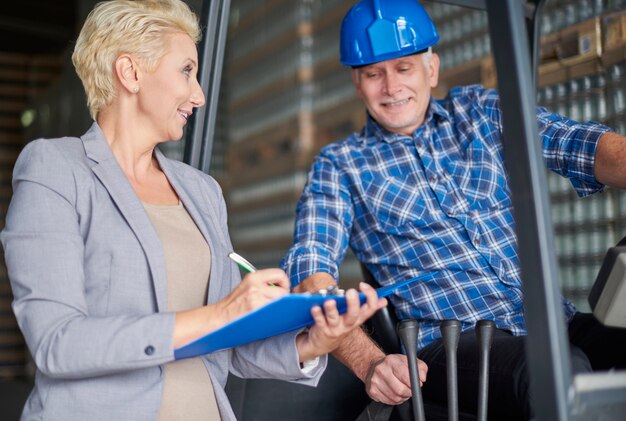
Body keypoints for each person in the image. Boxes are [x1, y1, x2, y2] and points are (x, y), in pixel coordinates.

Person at [0, 1, 387, 420]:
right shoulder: (56, 169)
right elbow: (58, 343)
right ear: (130, 73)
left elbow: (226, 340)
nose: (199, 95)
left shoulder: (201, 191)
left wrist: (312, 343)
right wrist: (223, 311)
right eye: (186, 70)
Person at [280, 0, 626, 419]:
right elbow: (311, 274)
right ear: (358, 83)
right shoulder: (340, 166)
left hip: (553, 322)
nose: (390, 87)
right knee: (557, 373)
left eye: (403, 67)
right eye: (373, 74)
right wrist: (368, 361)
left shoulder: (481, 113)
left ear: (432, 69)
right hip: (451, 342)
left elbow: (583, 146)